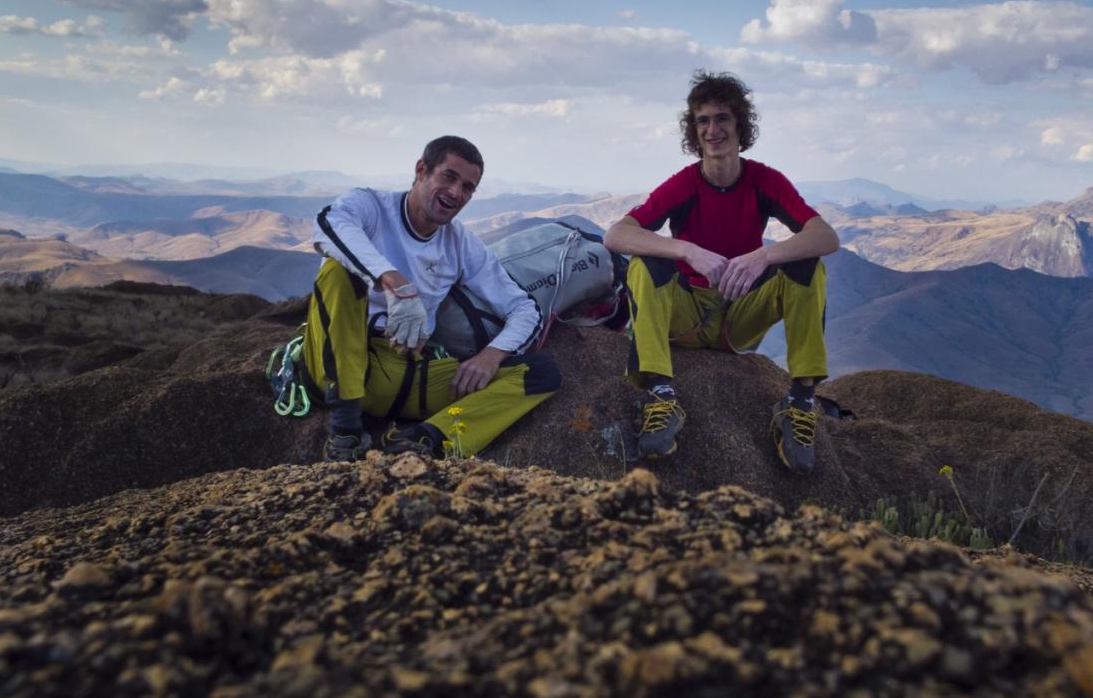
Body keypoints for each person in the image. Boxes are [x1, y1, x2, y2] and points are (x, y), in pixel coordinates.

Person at [603, 71, 839, 474]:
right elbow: (617, 234)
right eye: (703, 121)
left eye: (723, 119)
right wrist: (687, 250)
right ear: (693, 132)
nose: (713, 130)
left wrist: (764, 257)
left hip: (740, 316)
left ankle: (800, 402)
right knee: (646, 262)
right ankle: (660, 394)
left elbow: (825, 236)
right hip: (687, 318)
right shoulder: (683, 185)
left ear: (740, 125)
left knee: (805, 265)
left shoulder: (766, 181)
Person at [305, 135, 560, 462]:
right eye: (449, 177)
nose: (456, 193)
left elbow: (524, 308)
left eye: (468, 187)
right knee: (338, 273)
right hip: (338, 361)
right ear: (422, 170)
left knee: (541, 373)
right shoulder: (371, 206)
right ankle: (345, 430)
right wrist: (392, 280)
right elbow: (328, 224)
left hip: (403, 371)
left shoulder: (460, 243)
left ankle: (426, 438)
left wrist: (491, 356)